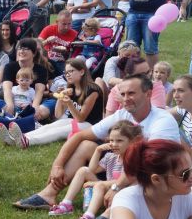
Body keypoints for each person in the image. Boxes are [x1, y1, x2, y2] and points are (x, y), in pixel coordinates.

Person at [14, 73, 180, 211]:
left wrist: (115, 186)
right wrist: (57, 165)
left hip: (149, 176)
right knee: (86, 145)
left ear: (148, 94)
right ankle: (49, 194)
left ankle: (113, 211)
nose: (126, 99)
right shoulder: (122, 114)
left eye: (131, 93)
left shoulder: (162, 121)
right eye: (122, 94)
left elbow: (151, 162)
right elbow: (79, 136)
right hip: (120, 170)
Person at [0, 58, 103, 148]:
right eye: (66, 72)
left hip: (90, 126)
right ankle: (18, 138)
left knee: (59, 131)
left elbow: (81, 118)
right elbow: (58, 114)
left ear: (82, 72)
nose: (68, 75)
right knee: (49, 126)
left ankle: (27, 141)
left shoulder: (92, 90)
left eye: (71, 71)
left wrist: (69, 104)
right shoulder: (72, 88)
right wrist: (60, 98)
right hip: (74, 120)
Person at [49, 120, 142, 219]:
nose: (114, 144)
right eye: (111, 140)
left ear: (132, 141)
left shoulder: (133, 160)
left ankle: (88, 216)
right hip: (106, 191)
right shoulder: (110, 157)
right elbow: (92, 170)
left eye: (119, 141)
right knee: (83, 170)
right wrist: (98, 151)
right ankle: (66, 204)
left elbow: (123, 181)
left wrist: (96, 183)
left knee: (99, 186)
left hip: (120, 193)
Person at [38, 11, 78, 76]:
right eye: (64, 24)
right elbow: (37, 45)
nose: (67, 27)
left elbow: (74, 54)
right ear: (57, 22)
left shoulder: (74, 34)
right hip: (46, 59)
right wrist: (47, 41)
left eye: (69, 24)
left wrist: (65, 52)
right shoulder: (49, 29)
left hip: (62, 62)